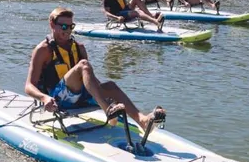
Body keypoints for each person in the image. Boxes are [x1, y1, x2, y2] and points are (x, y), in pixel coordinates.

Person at [25, 7, 165, 129]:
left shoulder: (79, 48)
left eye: (71, 26)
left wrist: (107, 93)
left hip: (80, 96)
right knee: (84, 65)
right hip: (58, 100)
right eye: (63, 27)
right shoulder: (43, 50)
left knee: (111, 86)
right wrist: (44, 98)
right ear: (52, 25)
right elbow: (29, 86)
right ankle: (108, 111)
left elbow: (88, 78)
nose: (68, 31)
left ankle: (142, 120)